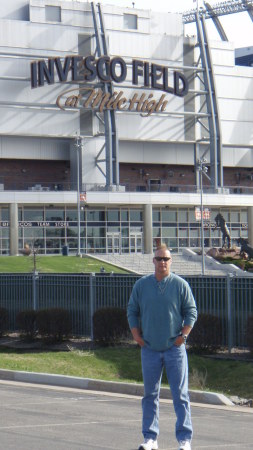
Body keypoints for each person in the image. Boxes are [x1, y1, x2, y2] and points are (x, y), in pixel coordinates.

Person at [127, 244, 197, 450]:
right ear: (153, 261)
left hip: (174, 349)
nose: (162, 262)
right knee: (150, 395)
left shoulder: (180, 285)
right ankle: (150, 438)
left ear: (170, 261)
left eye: (166, 259)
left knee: (180, 395)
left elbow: (191, 311)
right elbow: (132, 310)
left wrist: (183, 336)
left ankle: (184, 440)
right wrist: (136, 335)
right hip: (149, 348)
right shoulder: (142, 285)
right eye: (159, 259)